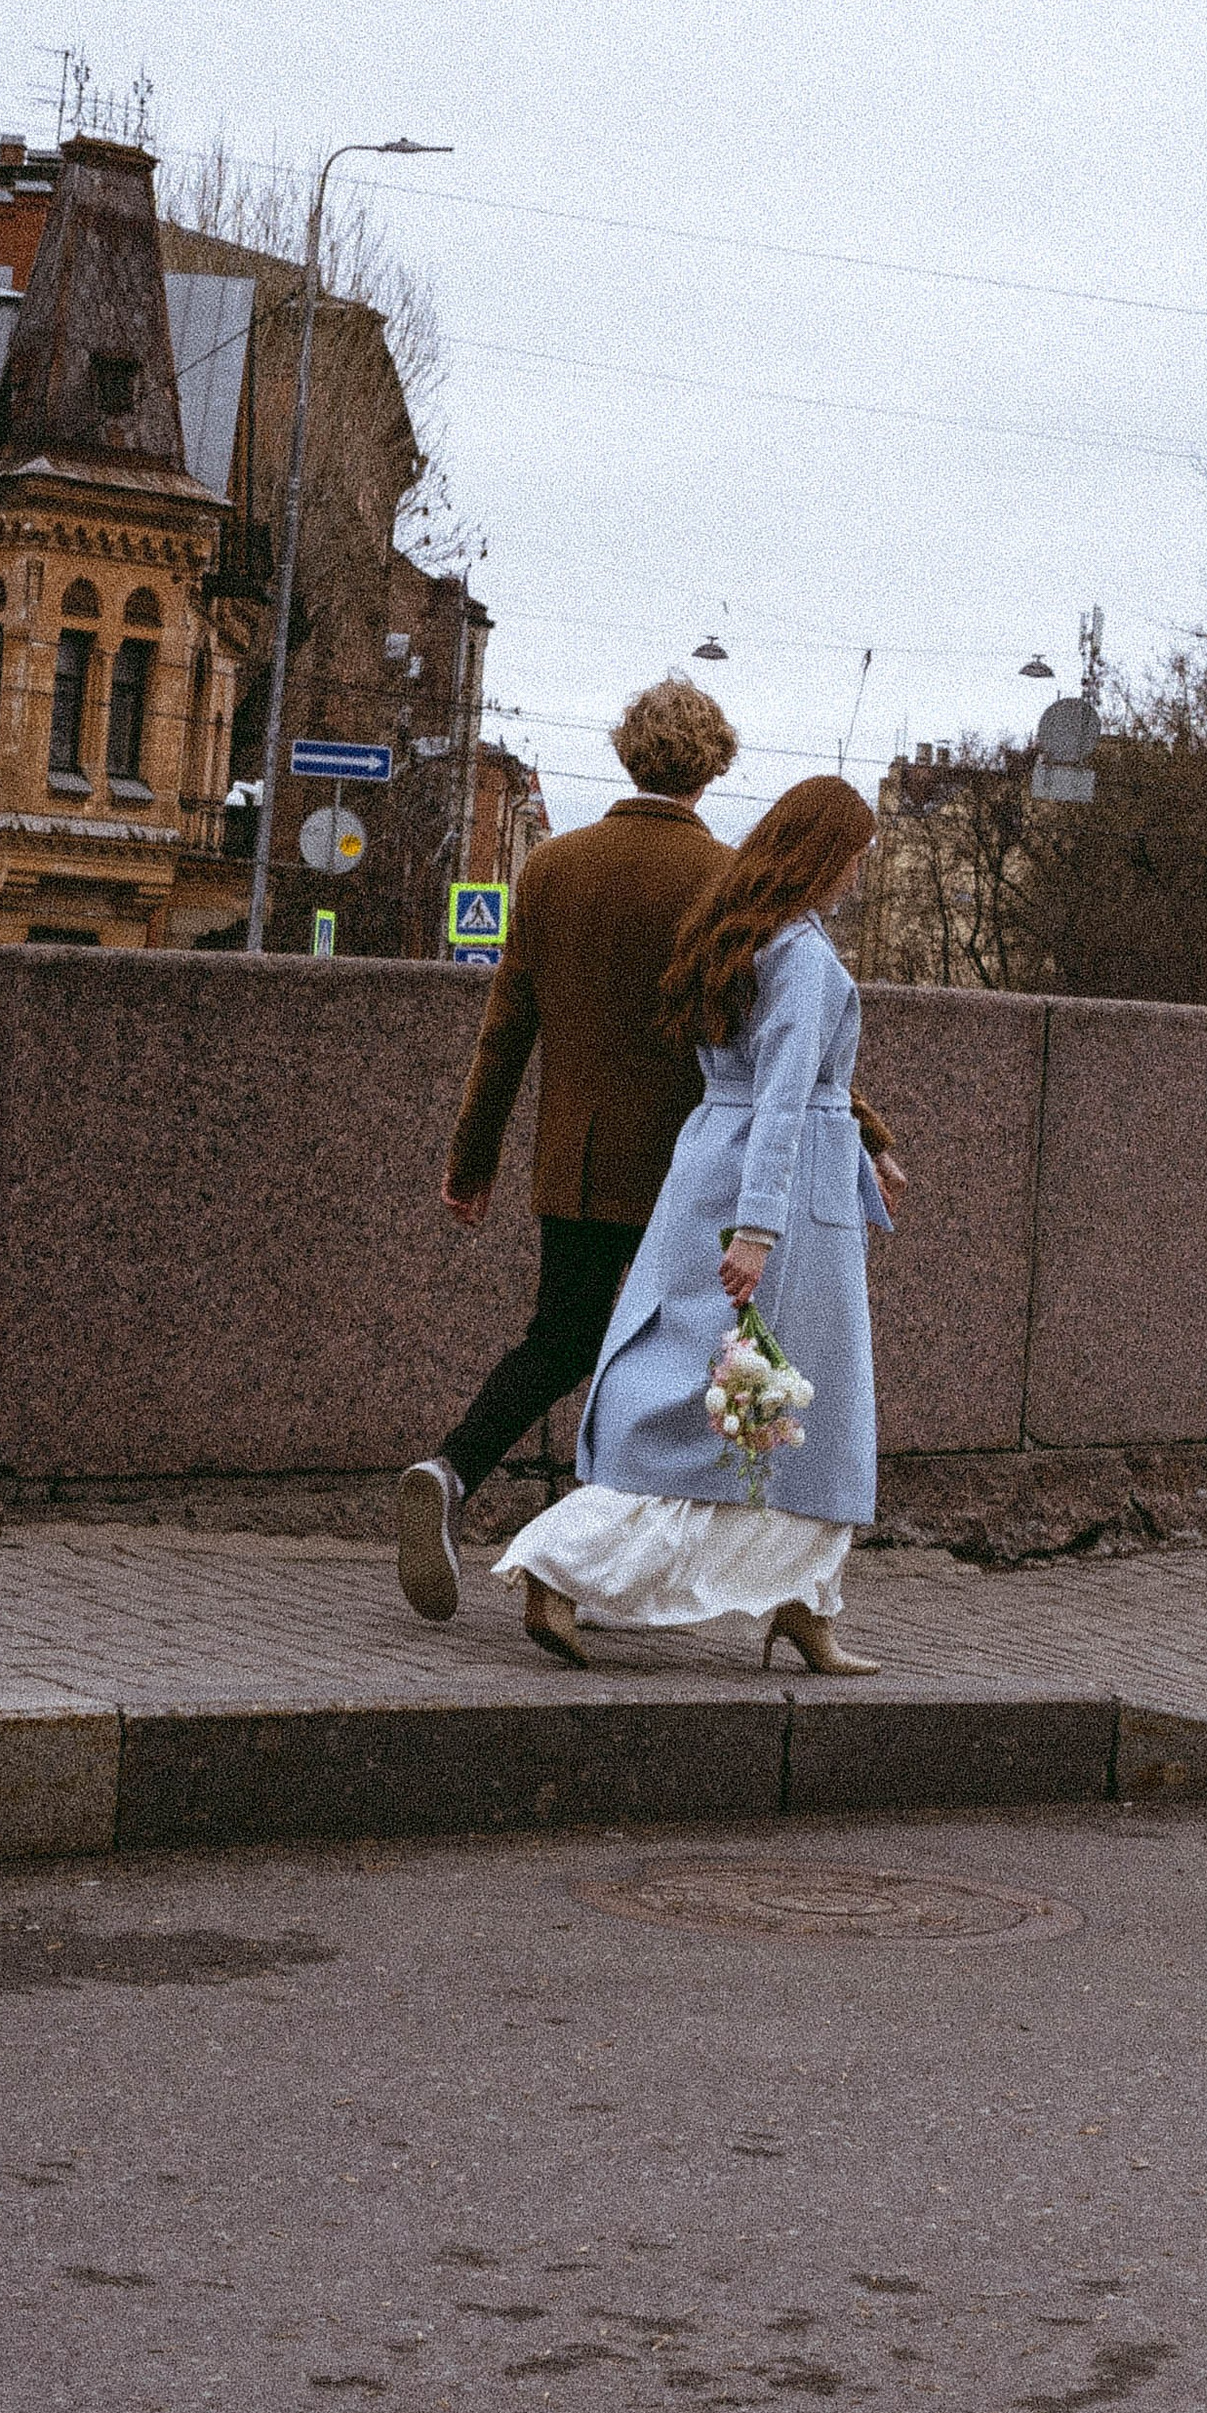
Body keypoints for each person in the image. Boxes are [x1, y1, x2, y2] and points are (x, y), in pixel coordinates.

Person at [495, 774, 899, 1673]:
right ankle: (564, 1563)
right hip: (784, 1203)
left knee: (724, 1389)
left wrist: (861, 1157)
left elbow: (768, 1088)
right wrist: (759, 1230)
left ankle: (801, 1601)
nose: (858, 875)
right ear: (823, 855)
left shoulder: (740, 939)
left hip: (710, 1165)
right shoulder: (802, 961)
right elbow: (788, 1097)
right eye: (856, 855)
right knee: (756, 1401)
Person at [394, 676, 739, 1622]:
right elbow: (779, 1036)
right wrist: (867, 1132)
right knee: (688, 1361)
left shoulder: (552, 867)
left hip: (576, 1159)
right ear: (712, 765)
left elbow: (505, 1033)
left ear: (628, 751)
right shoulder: (724, 879)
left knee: (561, 1338)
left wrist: (473, 1161)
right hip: (689, 1167)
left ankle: (453, 1466)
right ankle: (591, 1560)